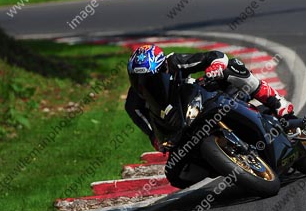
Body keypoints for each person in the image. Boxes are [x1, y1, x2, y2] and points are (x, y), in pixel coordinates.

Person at [125, 43, 296, 150]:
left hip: (203, 97)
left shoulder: (174, 62)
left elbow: (215, 56)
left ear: (164, 69)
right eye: (137, 79)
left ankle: (276, 101)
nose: (145, 84)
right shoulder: (134, 100)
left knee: (232, 67)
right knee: (175, 176)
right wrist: (156, 140)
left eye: (151, 79)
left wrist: (215, 67)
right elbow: (146, 126)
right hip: (182, 126)